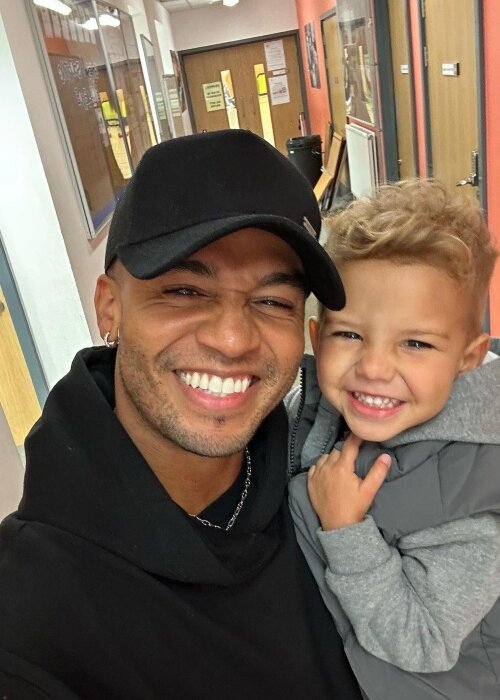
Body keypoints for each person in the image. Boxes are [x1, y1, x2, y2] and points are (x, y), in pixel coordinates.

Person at [0, 129, 363, 699]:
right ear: (109, 308)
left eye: (273, 301)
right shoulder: (31, 616)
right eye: (185, 291)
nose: (233, 339)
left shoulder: (335, 472)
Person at [287, 179, 500, 699]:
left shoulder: (472, 491)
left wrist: (346, 531)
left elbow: (425, 642)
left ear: (468, 358)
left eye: (416, 344)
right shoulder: (324, 406)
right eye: (349, 334)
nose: (375, 368)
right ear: (316, 338)